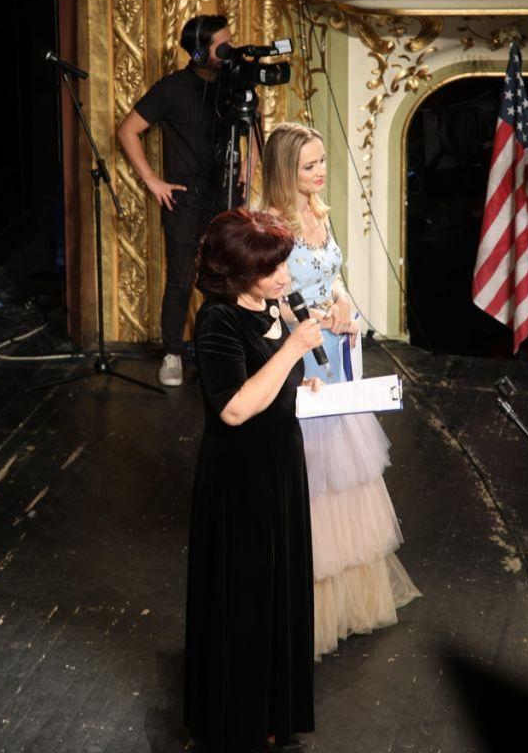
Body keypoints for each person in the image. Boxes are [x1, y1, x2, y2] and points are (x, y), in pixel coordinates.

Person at [260, 122, 420, 659]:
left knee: (345, 470)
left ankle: (352, 601)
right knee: (313, 471)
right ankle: (311, 607)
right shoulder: (270, 225)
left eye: (322, 161)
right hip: (301, 352)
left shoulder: (319, 213)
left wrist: (344, 305)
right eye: (309, 165)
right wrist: (312, 318)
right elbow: (268, 298)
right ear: (285, 171)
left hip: (338, 349)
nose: (321, 172)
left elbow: (331, 275)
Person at [185, 208, 322, 753]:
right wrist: (291, 350)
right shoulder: (217, 321)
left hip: (280, 466)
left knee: (277, 591)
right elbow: (235, 408)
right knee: (247, 599)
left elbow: (271, 381)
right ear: (239, 274)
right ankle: (240, 718)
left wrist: (298, 384)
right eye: (272, 269)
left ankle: (272, 710)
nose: (285, 276)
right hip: (240, 479)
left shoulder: (270, 305)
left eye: (283, 264)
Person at [118, 14, 234, 387]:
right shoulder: (172, 89)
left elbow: (250, 130)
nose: (229, 51)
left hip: (225, 195)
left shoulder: (232, 86)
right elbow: (128, 130)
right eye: (222, 46)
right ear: (199, 52)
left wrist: (245, 174)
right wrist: (152, 180)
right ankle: (172, 354)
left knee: (225, 279)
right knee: (181, 279)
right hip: (185, 199)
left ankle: (220, 352)